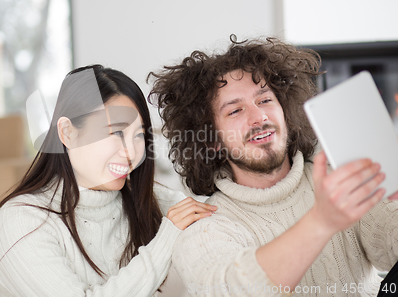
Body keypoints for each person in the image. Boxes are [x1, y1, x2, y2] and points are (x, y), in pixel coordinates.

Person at [148, 36, 398, 296]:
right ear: (212, 142)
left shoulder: (339, 180)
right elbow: (231, 289)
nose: (259, 117)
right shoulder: (205, 228)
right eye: (235, 111)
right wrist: (321, 221)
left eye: (265, 100)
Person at [0, 65, 216, 296]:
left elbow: (218, 211)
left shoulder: (150, 200)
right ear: (67, 133)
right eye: (115, 132)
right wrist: (166, 238)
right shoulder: (21, 221)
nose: (131, 152)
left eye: (139, 135)